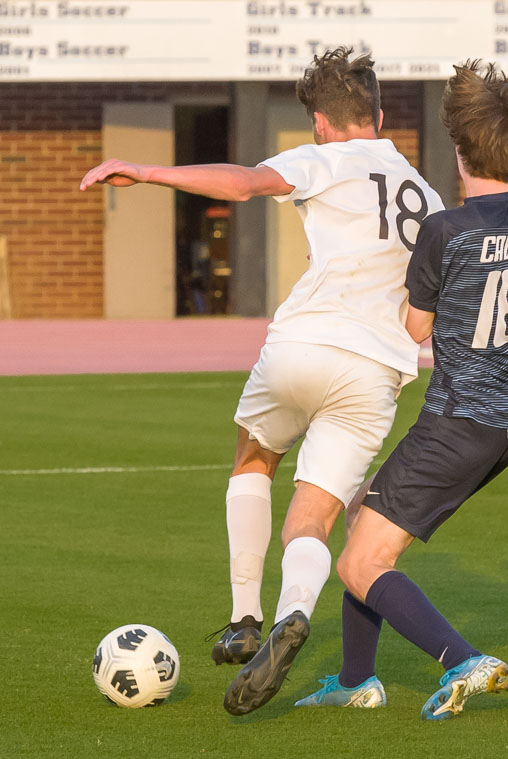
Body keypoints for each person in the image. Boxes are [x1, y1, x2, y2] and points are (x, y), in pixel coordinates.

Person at [79, 47, 444, 717]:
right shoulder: (426, 191)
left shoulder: (324, 158)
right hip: (377, 372)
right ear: (382, 116)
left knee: (254, 454)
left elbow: (245, 183)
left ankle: (247, 614)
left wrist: (148, 171)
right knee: (315, 516)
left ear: (320, 123)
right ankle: (293, 611)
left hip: (303, 346)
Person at [294, 60, 508, 719]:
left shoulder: (445, 231)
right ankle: (356, 679)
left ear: (459, 152)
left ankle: (464, 660)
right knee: (364, 522)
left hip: (456, 419)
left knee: (359, 563)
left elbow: (413, 329)